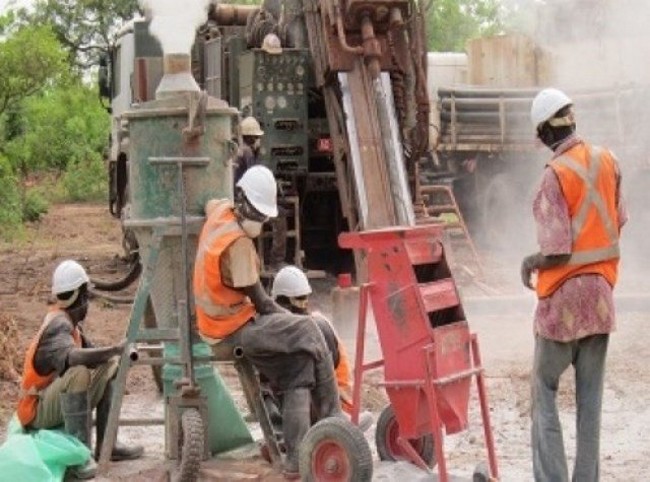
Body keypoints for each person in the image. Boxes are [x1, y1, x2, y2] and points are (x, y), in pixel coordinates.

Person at [193, 165, 343, 479]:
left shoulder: (221, 211)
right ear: (242, 201)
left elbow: (208, 203)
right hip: (231, 329)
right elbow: (263, 304)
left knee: (298, 367)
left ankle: (295, 461)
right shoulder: (238, 246)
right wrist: (296, 325)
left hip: (220, 323)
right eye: (257, 215)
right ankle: (335, 421)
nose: (259, 221)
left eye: (263, 216)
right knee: (307, 329)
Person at [522, 88, 627, 482]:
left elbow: (555, 249)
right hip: (601, 298)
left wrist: (530, 261)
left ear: (547, 132)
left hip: (562, 302)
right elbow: (619, 220)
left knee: (544, 389)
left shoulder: (555, 175)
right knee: (590, 402)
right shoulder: (608, 161)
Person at [17, 260, 143, 479]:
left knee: (109, 365)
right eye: (87, 297)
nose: (88, 303)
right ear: (80, 297)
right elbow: (73, 358)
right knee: (78, 373)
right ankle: (79, 457)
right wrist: (115, 348)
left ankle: (108, 444)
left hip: (49, 401)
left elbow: (96, 359)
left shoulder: (70, 324)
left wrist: (118, 355)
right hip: (35, 410)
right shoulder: (58, 324)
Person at [269, 266, 373, 431]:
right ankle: (282, 430)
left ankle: (328, 424)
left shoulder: (318, 326)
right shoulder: (292, 328)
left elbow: (314, 376)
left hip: (337, 402)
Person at [233, 115, 288, 270]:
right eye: (258, 138)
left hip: (237, 199)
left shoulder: (236, 150)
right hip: (244, 203)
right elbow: (255, 177)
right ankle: (276, 261)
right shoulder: (248, 153)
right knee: (280, 215)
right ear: (253, 138)